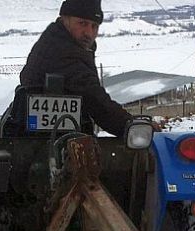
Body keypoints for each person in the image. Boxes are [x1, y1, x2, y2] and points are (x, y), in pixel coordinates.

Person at [17, 0, 134, 137]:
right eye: (82, 23)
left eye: (94, 26)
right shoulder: (61, 49)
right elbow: (95, 101)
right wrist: (130, 125)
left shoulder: (57, 39)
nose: (89, 33)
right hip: (42, 143)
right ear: (65, 20)